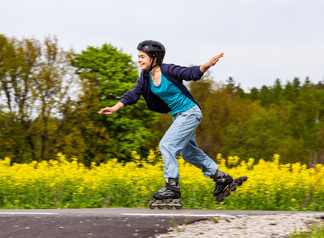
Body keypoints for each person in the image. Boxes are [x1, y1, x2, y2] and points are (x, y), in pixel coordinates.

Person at [99, 40, 246, 205]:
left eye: (142, 57)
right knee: (188, 153)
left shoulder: (168, 70)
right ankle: (221, 178)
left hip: (190, 113)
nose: (139, 60)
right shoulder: (145, 77)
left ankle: (172, 186)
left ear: (154, 57)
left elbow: (191, 73)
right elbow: (133, 94)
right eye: (138, 57)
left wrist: (208, 64)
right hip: (179, 116)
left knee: (166, 145)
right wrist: (114, 108)